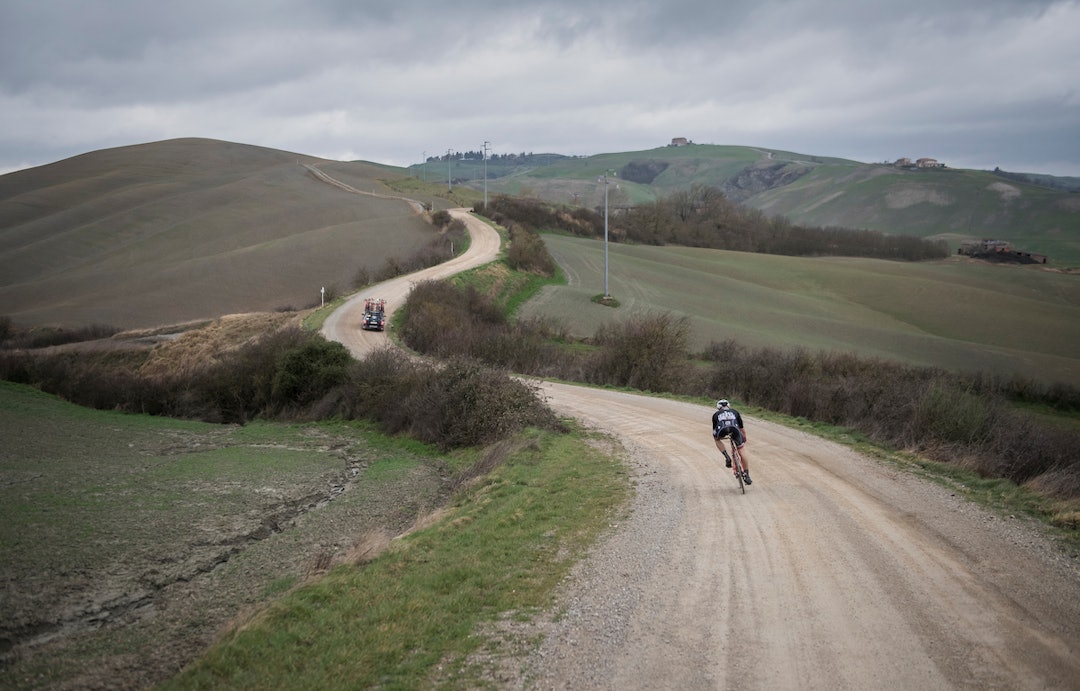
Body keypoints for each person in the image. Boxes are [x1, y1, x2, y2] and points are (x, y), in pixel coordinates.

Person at [712, 399, 752, 485]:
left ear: (718, 407)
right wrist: (744, 439)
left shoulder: (715, 415)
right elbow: (742, 429)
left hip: (722, 430)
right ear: (728, 406)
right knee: (741, 450)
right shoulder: (735, 412)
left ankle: (727, 457)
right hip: (735, 430)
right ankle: (747, 475)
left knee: (716, 439)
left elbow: (714, 430)